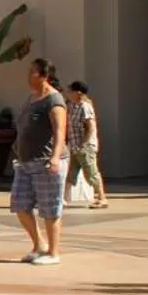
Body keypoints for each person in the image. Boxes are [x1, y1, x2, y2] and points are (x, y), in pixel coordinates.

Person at [10, 57, 69, 265]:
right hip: (25, 161)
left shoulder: (54, 100)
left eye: (33, 72)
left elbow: (60, 131)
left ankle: (53, 252)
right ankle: (39, 244)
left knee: (49, 207)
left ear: (44, 76)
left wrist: (54, 157)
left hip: (46, 161)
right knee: (20, 204)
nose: (28, 75)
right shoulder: (32, 97)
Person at [64, 80, 109, 209]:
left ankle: (102, 198)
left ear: (78, 93)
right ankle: (63, 199)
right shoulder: (73, 106)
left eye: (71, 91)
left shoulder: (85, 106)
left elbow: (90, 127)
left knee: (91, 172)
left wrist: (83, 144)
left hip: (85, 147)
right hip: (74, 146)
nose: (68, 93)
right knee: (71, 173)